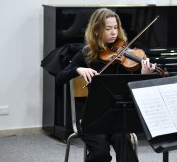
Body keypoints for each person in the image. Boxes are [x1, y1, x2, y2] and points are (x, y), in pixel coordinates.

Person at [56, 8, 156, 162]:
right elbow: (60, 78)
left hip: (117, 117)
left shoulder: (126, 55)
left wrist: (144, 74)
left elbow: (137, 89)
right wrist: (78, 69)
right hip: (92, 118)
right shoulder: (87, 54)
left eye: (116, 27)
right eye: (108, 28)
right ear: (96, 30)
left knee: (122, 141)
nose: (113, 32)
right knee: (101, 153)